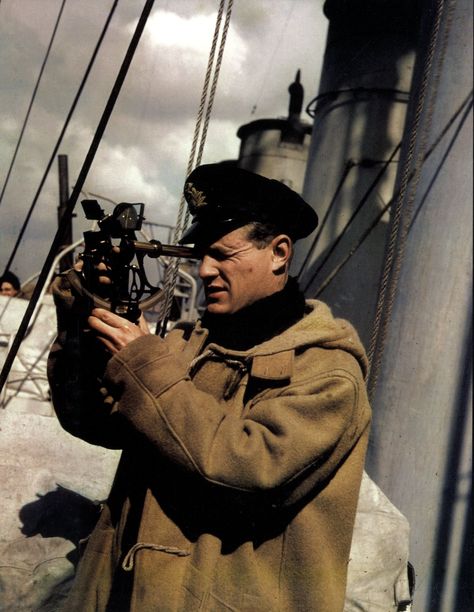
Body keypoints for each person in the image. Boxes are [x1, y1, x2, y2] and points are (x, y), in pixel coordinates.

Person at [47, 163, 371, 611]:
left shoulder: (327, 372)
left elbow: (243, 468)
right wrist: (87, 313)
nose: (204, 271)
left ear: (279, 252)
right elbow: (95, 422)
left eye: (223, 255)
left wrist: (143, 360)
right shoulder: (188, 344)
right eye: (202, 256)